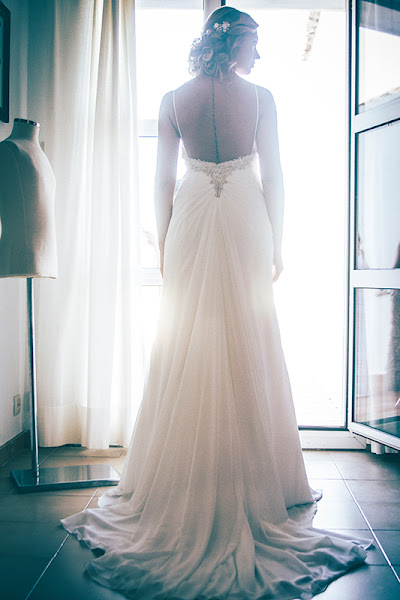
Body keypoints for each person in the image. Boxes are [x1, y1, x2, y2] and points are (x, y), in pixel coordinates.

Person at [62, 7, 371, 599]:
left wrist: (164, 241)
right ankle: (257, 473)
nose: (259, 54)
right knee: (250, 332)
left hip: (192, 217)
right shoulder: (261, 99)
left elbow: (161, 181)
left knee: (191, 337)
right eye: (255, 43)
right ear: (235, 43)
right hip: (246, 217)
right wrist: (277, 240)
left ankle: (186, 472)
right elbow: (275, 176)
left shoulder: (173, 100)